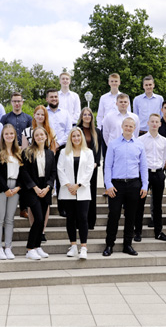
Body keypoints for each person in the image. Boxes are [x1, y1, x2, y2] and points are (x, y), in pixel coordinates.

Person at [102, 117, 148, 257]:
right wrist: (108, 184)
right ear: (122, 126)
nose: (128, 128)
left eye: (131, 126)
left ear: (134, 128)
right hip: (117, 185)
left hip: (134, 184)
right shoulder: (113, 144)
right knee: (114, 214)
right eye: (126, 126)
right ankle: (109, 244)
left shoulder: (139, 145)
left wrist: (145, 185)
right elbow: (108, 166)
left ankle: (127, 245)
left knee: (131, 216)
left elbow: (143, 167)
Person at [58, 128, 95, 259]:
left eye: (78, 136)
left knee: (83, 218)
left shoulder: (88, 152)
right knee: (71, 218)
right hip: (68, 191)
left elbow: (90, 170)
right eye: (73, 136)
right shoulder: (64, 152)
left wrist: (78, 185)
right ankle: (73, 246)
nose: (76, 138)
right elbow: (60, 169)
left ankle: (83, 247)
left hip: (83, 190)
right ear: (70, 138)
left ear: (82, 137)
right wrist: (69, 186)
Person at [20, 127, 56, 260]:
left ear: (46, 137)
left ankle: (37, 246)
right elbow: (24, 172)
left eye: (42, 134)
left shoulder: (50, 154)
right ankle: (30, 248)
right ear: (33, 138)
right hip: (32, 190)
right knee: (38, 218)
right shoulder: (28, 152)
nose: (40, 137)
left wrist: (48, 188)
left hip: (45, 189)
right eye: (37, 135)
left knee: (42, 222)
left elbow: (53, 173)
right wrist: (34, 188)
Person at [135, 114, 166, 242]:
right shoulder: (140, 140)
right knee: (140, 203)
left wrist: (160, 169)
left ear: (160, 124)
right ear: (148, 123)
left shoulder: (164, 141)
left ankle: (158, 232)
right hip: (145, 173)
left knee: (158, 204)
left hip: (159, 173)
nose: (154, 124)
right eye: (152, 122)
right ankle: (137, 231)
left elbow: (164, 157)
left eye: (157, 122)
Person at [0, 124, 23, 260]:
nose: (9, 136)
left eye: (11, 134)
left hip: (15, 187)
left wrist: (18, 187)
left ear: (15, 135)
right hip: (0, 188)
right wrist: (5, 189)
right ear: (3, 136)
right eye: (6, 134)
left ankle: (8, 247)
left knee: (10, 219)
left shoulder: (19, 152)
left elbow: (24, 172)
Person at [21, 105, 56, 225]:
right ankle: (33, 228)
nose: (40, 116)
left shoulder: (50, 131)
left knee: (46, 204)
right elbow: (24, 152)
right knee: (32, 205)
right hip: (32, 172)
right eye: (38, 114)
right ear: (34, 115)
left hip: (46, 170)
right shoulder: (27, 131)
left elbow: (52, 151)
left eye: (43, 114)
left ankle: (42, 231)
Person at [46, 88, 73, 218]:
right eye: (51, 97)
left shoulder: (66, 113)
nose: (54, 99)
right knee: (48, 176)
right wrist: (51, 144)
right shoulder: (44, 113)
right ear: (47, 99)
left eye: (55, 97)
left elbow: (69, 131)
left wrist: (57, 144)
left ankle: (63, 207)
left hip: (62, 148)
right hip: (46, 148)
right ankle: (46, 206)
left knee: (62, 177)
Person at [76, 107, 102, 229]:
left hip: (92, 167)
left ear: (92, 117)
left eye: (89, 114)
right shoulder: (76, 130)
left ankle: (90, 221)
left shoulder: (97, 131)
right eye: (84, 114)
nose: (87, 116)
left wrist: (96, 162)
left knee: (91, 193)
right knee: (80, 192)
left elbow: (98, 149)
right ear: (81, 117)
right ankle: (79, 221)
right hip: (79, 165)